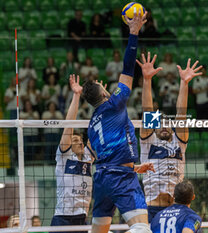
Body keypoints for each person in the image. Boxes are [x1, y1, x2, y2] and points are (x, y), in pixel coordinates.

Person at [81, 11, 155, 233]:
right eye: (101, 85)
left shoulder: (93, 121)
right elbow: (128, 68)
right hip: (122, 178)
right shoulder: (115, 104)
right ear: (103, 91)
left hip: (104, 177)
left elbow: (96, 151)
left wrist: (132, 165)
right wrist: (134, 33)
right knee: (142, 229)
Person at [138, 52, 202, 222]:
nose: (164, 126)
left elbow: (181, 113)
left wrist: (184, 83)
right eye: (160, 123)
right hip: (152, 210)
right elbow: (147, 111)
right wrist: (147, 80)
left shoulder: (178, 142)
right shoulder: (148, 141)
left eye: (167, 123)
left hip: (177, 209)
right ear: (154, 127)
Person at [50, 74, 95, 233]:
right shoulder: (65, 157)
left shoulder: (89, 158)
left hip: (82, 219)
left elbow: (97, 128)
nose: (80, 141)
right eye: (75, 140)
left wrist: (100, 101)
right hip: (63, 218)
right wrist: (76, 96)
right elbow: (68, 126)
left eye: (81, 139)